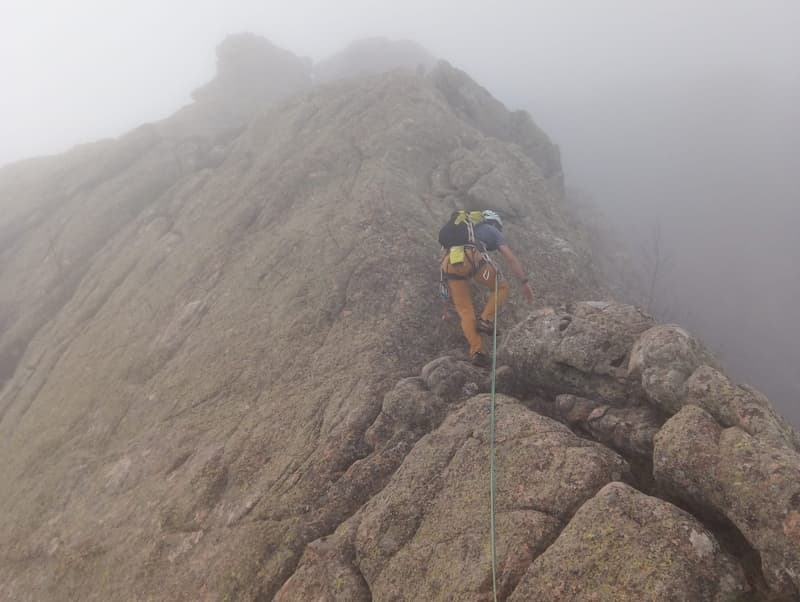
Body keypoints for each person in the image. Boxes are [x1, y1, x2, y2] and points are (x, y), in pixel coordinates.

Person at [441, 210, 534, 366]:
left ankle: (477, 352)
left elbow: (443, 268)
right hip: (473, 259)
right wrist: (524, 282)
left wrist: (445, 306)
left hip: (450, 264)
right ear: (494, 223)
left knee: (465, 311)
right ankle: (485, 320)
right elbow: (510, 258)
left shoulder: (460, 233)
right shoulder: (491, 229)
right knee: (501, 287)